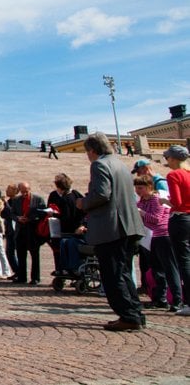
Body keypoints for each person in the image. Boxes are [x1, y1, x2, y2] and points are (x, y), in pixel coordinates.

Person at [76, 132, 147, 331]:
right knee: (124, 273)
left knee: (113, 274)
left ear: (92, 150)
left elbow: (102, 194)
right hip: (129, 226)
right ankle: (135, 313)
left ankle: (128, 316)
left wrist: (83, 203)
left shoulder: (99, 165)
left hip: (112, 227)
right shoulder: (120, 164)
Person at [134, 175, 181, 311]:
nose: (138, 191)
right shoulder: (143, 200)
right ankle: (160, 298)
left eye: (141, 188)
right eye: (136, 188)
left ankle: (177, 299)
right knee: (156, 269)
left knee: (169, 268)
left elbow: (156, 219)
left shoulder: (156, 199)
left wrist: (141, 213)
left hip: (164, 235)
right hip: (153, 236)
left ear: (149, 187)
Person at [163, 145, 190, 316]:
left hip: (180, 219)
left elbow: (177, 202)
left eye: (167, 158)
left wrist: (164, 201)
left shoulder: (173, 175)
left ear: (173, 159)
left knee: (184, 262)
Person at [46, 173, 84, 275]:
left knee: (63, 248)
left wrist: (53, 214)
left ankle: (66, 269)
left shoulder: (65, 199)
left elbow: (65, 217)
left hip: (67, 230)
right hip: (77, 227)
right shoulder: (75, 194)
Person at [10, 181, 46, 285]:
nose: (24, 193)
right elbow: (12, 213)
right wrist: (18, 218)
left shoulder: (38, 199)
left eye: (26, 191)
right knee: (21, 255)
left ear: (29, 189)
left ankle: (35, 278)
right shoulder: (16, 200)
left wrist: (30, 219)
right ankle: (22, 277)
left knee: (35, 256)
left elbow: (43, 213)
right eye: (22, 192)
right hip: (20, 230)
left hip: (33, 231)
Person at [1, 184, 21, 276]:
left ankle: (19, 272)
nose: (6, 191)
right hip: (9, 229)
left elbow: (11, 213)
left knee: (17, 252)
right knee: (9, 252)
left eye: (8, 189)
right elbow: (3, 214)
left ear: (15, 191)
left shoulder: (18, 201)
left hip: (16, 229)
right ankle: (16, 271)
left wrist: (5, 203)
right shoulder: (9, 201)